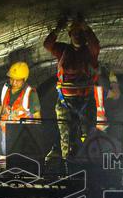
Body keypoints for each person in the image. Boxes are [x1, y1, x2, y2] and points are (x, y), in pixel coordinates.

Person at [43, 15, 100, 163]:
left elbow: (95, 45)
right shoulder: (63, 50)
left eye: (80, 32)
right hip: (65, 101)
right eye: (74, 32)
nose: (77, 35)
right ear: (70, 35)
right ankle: (68, 168)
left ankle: (89, 167)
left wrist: (85, 26)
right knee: (66, 137)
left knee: (89, 136)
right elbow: (48, 45)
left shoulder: (89, 52)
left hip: (85, 100)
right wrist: (58, 28)